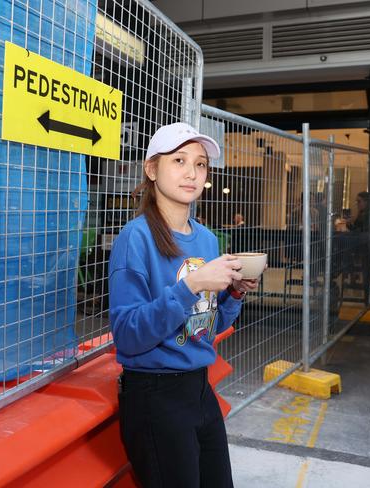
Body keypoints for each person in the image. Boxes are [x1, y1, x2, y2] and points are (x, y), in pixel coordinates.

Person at [108, 122, 260, 487]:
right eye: (179, 160)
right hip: (155, 394)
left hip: (199, 388)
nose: (192, 173)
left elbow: (209, 326)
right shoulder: (136, 238)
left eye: (201, 164)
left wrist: (234, 293)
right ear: (152, 169)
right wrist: (191, 286)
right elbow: (127, 336)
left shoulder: (207, 240)